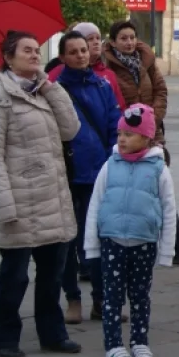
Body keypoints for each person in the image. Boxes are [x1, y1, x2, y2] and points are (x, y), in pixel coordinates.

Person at [0, 31, 81, 357]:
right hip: (18, 201)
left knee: (51, 274)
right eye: (27, 51)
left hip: (52, 198)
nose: (34, 55)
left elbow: (70, 129)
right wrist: (4, 205)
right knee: (14, 275)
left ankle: (53, 334)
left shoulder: (42, 90)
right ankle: (4, 337)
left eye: (37, 50)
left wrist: (50, 87)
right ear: (8, 57)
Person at [85, 104, 177, 357]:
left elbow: (169, 210)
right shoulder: (110, 165)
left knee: (140, 296)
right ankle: (113, 345)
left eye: (129, 134)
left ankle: (139, 341)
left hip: (143, 242)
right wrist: (91, 244)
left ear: (146, 137)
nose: (122, 139)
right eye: (119, 134)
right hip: (112, 241)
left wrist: (167, 251)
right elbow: (95, 204)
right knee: (112, 297)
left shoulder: (159, 169)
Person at [105, 21, 179, 266]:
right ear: (113, 42)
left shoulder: (146, 61)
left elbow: (160, 91)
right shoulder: (108, 66)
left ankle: (177, 247)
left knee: (160, 187)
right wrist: (132, 128)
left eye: (132, 37)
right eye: (123, 38)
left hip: (152, 135)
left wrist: (150, 120)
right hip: (126, 137)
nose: (128, 42)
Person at [49, 32, 121, 325]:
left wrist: (111, 160)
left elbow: (114, 126)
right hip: (67, 173)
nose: (81, 56)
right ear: (62, 57)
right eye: (73, 52)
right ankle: (73, 298)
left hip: (98, 173)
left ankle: (101, 300)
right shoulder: (54, 89)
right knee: (68, 241)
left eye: (83, 50)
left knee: (98, 240)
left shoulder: (102, 85)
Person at [48, 22, 126, 110]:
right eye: (90, 39)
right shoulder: (58, 73)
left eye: (98, 38)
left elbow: (118, 108)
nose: (96, 42)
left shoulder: (107, 76)